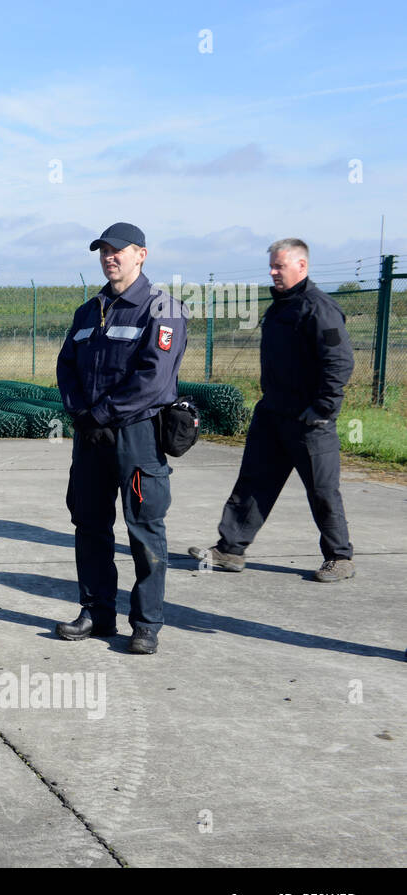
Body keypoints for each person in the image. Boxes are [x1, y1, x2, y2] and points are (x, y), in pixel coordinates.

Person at [56, 222, 188, 655]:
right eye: (104, 251)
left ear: (141, 255)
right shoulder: (88, 310)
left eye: (119, 251)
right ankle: (97, 612)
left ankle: (146, 623)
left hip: (137, 436)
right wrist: (80, 412)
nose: (110, 257)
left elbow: (152, 380)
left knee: (144, 529)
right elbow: (66, 366)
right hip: (91, 436)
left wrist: (99, 414)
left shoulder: (162, 310)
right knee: (89, 524)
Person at [189, 239, 355, 582]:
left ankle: (340, 557)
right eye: (272, 265)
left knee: (322, 489)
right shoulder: (280, 306)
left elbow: (339, 360)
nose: (273, 271)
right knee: (253, 482)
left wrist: (323, 407)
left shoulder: (320, 308)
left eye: (279, 266)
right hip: (272, 414)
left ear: (302, 266)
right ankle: (230, 550)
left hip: (309, 419)